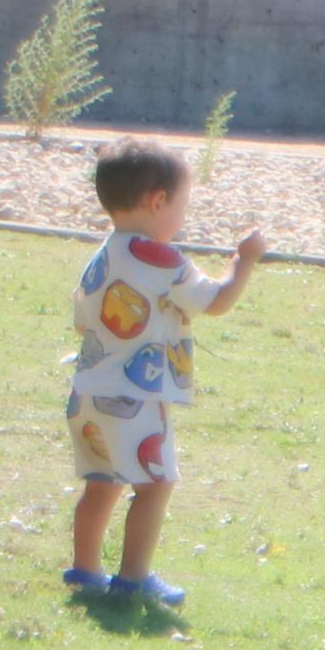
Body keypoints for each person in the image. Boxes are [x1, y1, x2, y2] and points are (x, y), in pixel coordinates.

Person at [62, 141, 265, 611]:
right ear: (158, 201)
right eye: (182, 205)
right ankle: (133, 580)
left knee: (101, 483)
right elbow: (215, 301)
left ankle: (85, 570)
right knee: (155, 485)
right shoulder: (162, 259)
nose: (182, 215)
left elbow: (81, 319)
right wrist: (244, 261)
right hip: (135, 395)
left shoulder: (102, 256)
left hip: (87, 392)